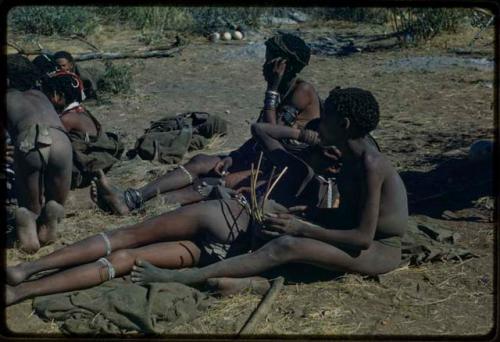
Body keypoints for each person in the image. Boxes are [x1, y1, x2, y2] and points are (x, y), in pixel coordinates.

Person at [6, 87, 407, 306]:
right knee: (127, 245)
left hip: (369, 249)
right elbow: (343, 217)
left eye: (326, 118)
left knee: (128, 248)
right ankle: (23, 277)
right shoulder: (332, 161)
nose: (318, 124)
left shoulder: (368, 163)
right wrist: (308, 203)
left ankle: (24, 284)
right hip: (243, 234)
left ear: (346, 124)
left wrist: (303, 224)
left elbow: (362, 238)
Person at [91, 33, 322, 215]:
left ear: (285, 65)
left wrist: (272, 88)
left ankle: (135, 208)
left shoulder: (301, 91)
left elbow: (272, 136)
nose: (265, 65)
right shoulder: (283, 87)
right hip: (264, 157)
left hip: (283, 170)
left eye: (270, 59)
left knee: (209, 182)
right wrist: (236, 155)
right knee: (201, 161)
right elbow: (260, 138)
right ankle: (133, 197)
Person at [6, 54, 73, 253]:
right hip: (60, 138)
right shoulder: (41, 95)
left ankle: (29, 220)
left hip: (29, 138)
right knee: (56, 202)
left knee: (31, 204)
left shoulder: (8, 97)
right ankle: (51, 213)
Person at [41, 72, 123, 188]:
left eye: (47, 95)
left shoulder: (67, 119)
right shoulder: (79, 110)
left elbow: (47, 139)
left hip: (83, 170)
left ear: (58, 96)